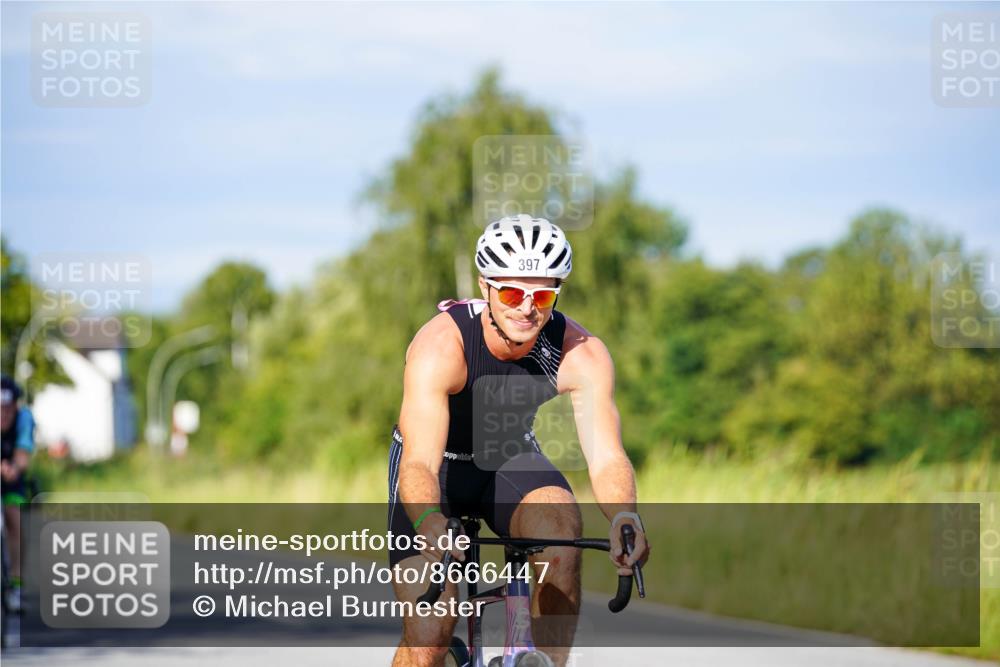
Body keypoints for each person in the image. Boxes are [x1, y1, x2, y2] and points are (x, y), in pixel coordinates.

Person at [387, 215, 650, 667]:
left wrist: (625, 515)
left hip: (508, 458)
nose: (527, 307)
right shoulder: (440, 348)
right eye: (511, 292)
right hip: (437, 470)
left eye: (542, 294)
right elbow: (418, 466)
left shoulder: (579, 351)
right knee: (430, 633)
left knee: (561, 531)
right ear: (485, 286)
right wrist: (430, 521)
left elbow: (606, 456)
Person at [1, 374, 35, 613]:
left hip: (12, 477)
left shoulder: (24, 418)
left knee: (15, 520)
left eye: (8, 409)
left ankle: (15, 586)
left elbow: (23, 452)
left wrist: (14, 468)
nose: (3, 415)